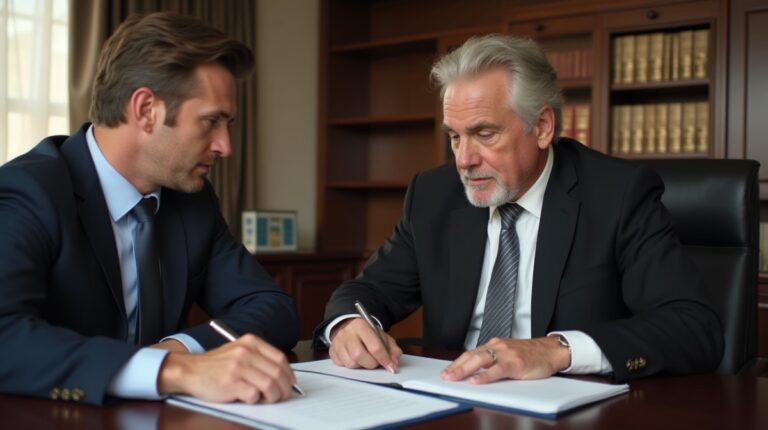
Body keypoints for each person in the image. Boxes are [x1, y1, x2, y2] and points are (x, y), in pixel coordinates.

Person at [314, 34, 724, 383]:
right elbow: (366, 291)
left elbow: (692, 327)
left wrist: (557, 350)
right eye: (454, 137)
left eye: (484, 133)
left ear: (542, 127)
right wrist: (349, 325)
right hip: (454, 398)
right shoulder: (434, 195)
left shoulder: (618, 195)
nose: (463, 159)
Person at [0, 12, 300, 405]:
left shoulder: (194, 202)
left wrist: (177, 350)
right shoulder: (29, 192)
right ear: (145, 109)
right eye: (210, 122)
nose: (225, 146)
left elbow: (274, 309)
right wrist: (172, 371)